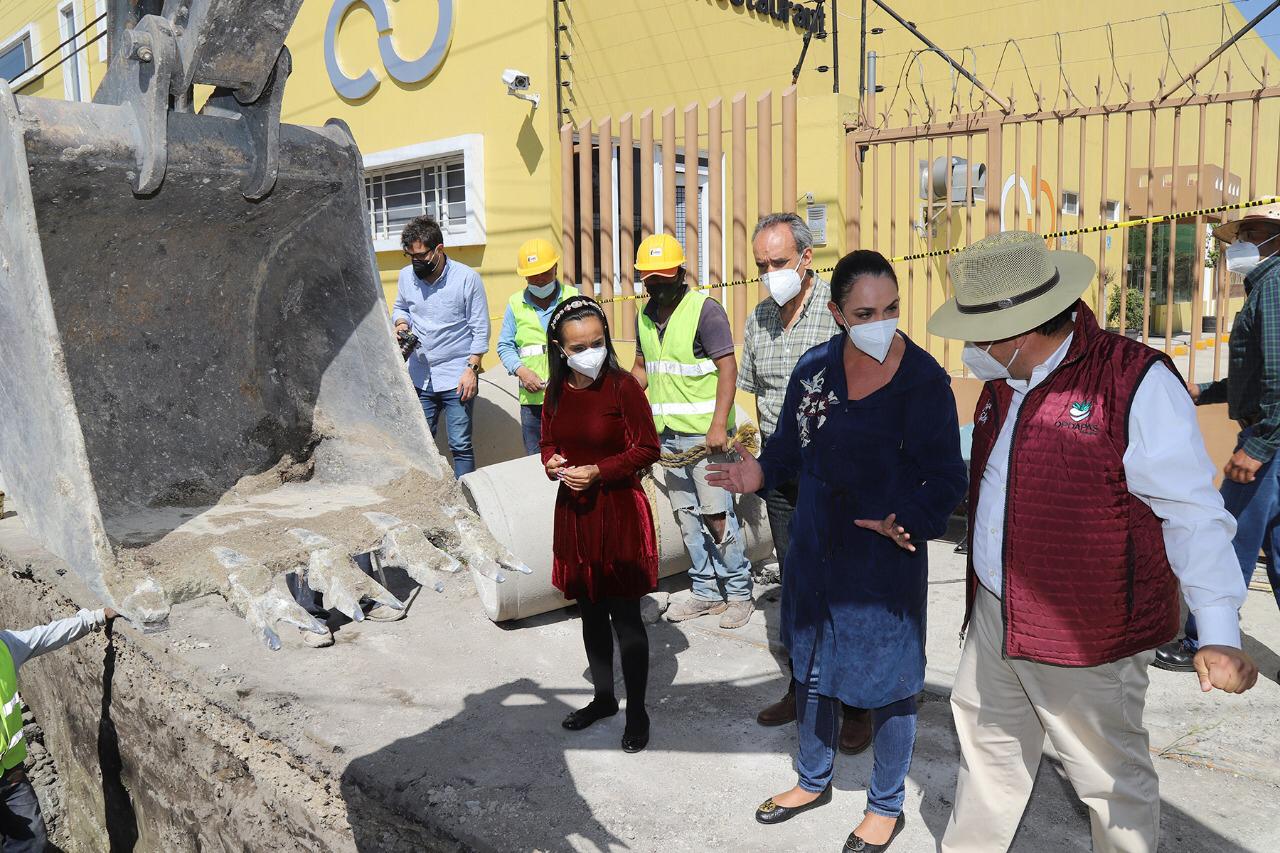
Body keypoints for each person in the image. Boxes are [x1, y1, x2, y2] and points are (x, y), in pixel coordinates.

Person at [926, 231, 1258, 853]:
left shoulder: (1133, 381)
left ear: (1020, 331)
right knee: (986, 754)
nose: (971, 351)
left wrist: (1218, 631)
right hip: (996, 613)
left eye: (979, 336)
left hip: (1088, 634)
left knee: (1111, 784)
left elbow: (1191, 511)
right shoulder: (1005, 379)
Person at [708, 250, 966, 852]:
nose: (881, 322)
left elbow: (948, 476)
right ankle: (811, 779)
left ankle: (885, 805)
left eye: (891, 308)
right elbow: (787, 449)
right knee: (812, 667)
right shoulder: (815, 369)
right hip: (814, 546)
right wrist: (760, 472)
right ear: (837, 313)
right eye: (865, 313)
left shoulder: (923, 380)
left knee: (891, 681)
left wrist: (910, 520)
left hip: (883, 555)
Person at [739, 213, 871, 754]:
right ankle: (803, 690)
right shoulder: (758, 319)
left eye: (778, 262)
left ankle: (857, 706)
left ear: (806, 258)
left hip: (836, 478)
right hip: (782, 478)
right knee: (796, 587)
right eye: (761, 265)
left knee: (846, 590)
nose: (770, 274)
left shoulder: (840, 316)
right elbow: (758, 395)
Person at [1155, 203, 1280, 673]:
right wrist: (1204, 392)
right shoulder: (1265, 286)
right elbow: (1257, 373)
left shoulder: (1275, 286)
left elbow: (1278, 377)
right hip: (1271, 438)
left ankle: (1205, 643)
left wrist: (1259, 445)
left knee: (1224, 540)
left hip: (1268, 443)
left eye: (1254, 232)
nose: (1242, 242)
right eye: (1240, 233)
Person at [541, 295, 661, 753]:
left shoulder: (622, 387)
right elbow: (548, 439)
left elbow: (647, 448)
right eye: (578, 347)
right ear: (560, 348)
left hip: (619, 512)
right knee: (590, 612)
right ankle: (605, 698)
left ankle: (638, 711)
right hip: (576, 515)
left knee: (625, 617)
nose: (590, 352)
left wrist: (599, 470)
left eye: (597, 342)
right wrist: (551, 462)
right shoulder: (556, 390)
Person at [630, 233, 754, 629]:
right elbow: (642, 370)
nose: (657, 286)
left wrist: (718, 425)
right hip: (667, 438)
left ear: (681, 273)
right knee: (686, 517)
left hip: (706, 439)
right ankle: (706, 591)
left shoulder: (705, 311)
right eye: (650, 279)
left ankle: (739, 593)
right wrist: (622, 405)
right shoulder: (644, 317)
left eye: (664, 278)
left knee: (717, 515)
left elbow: (727, 368)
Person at [2, 607, 120, 851]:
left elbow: (46, 636)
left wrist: (95, 618)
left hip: (11, 776)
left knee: (33, 842)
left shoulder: (6, 646)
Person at [392, 215, 490, 478]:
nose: (416, 262)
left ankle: (466, 495)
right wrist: (401, 323)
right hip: (420, 375)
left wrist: (471, 369)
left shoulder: (467, 279)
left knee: (460, 445)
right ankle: (425, 495)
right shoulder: (406, 277)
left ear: (439, 249)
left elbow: (480, 329)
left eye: (421, 255)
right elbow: (400, 307)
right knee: (419, 444)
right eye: (410, 256)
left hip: (457, 375)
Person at [497, 239, 580, 455]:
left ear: (555, 268)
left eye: (544, 273)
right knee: (536, 460)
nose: (540, 280)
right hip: (532, 402)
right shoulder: (515, 303)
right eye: (533, 275)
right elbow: (504, 345)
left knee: (574, 456)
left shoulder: (573, 298)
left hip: (570, 397)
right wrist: (522, 372)